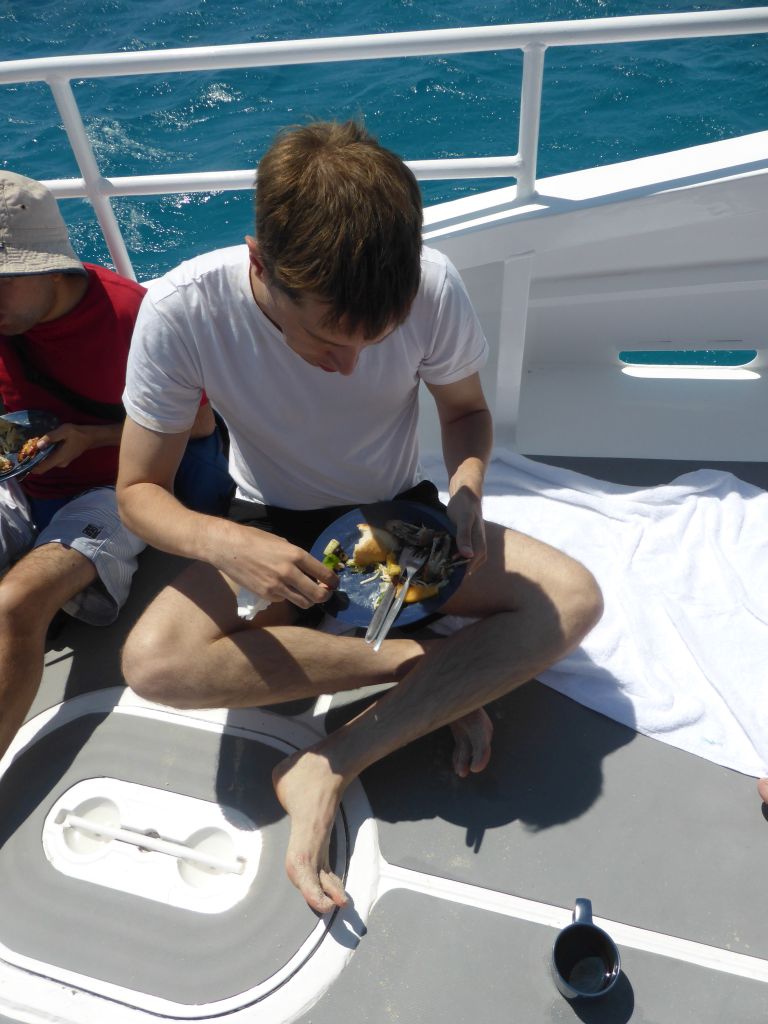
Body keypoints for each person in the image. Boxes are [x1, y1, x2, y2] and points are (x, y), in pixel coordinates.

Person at [117, 120, 603, 914]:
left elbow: (466, 414)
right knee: (155, 665)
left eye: (370, 342)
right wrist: (226, 541)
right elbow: (139, 491)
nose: (348, 366)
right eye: (324, 339)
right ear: (259, 264)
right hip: (266, 520)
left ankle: (335, 758)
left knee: (574, 598)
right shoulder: (182, 311)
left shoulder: (432, 285)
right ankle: (420, 668)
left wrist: (469, 488)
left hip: (398, 520)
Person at [0, 170, 232, 763]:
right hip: (22, 481)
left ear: (48, 268)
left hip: (116, 483)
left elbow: (201, 428)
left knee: (17, 603)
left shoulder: (133, 319)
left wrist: (93, 436)